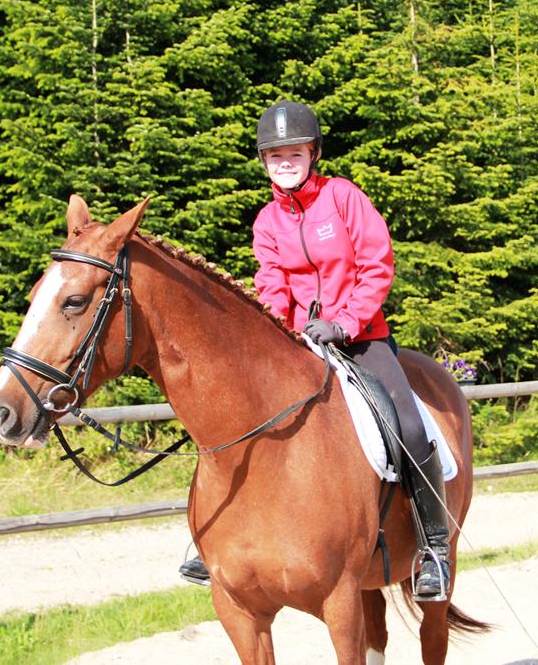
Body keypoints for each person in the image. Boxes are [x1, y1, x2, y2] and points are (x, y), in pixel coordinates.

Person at [178, 99, 451, 602]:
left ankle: (434, 549)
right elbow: (272, 284)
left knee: (407, 425)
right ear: (265, 162)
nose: (285, 162)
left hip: (362, 338)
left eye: (294, 152)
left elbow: (376, 265)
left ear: (313, 153)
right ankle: (212, 537)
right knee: (233, 415)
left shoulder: (344, 198)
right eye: (275, 155)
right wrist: (277, 331)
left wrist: (345, 322)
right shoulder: (267, 222)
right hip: (300, 344)